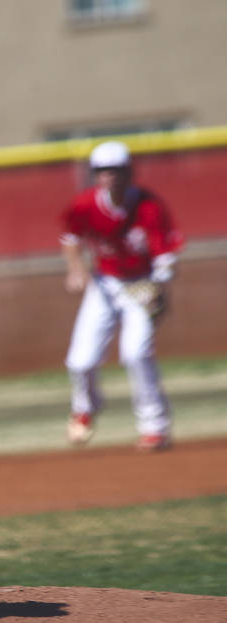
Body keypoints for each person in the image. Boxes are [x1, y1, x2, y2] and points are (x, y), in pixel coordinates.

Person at [60, 140, 184, 453]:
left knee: (136, 354)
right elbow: (70, 239)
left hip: (141, 286)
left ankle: (154, 427)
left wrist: (159, 285)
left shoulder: (148, 206)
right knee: (80, 360)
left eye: (115, 170)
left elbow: (165, 254)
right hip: (105, 284)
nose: (109, 177)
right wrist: (76, 269)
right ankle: (85, 409)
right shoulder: (85, 205)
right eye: (102, 171)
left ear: (129, 171)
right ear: (94, 174)